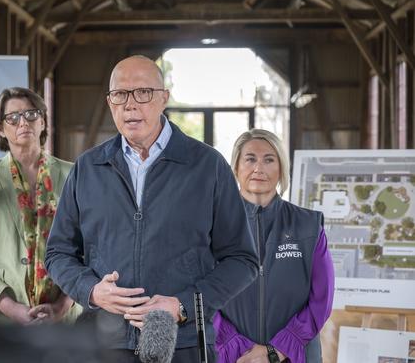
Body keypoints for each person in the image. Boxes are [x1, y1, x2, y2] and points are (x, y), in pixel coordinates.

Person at [44, 55, 259, 362]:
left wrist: (184, 305)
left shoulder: (207, 166)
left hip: (183, 344)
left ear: (164, 99)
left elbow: (242, 260)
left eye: (143, 92)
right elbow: (57, 253)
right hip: (102, 343)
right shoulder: (88, 169)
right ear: (109, 102)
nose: (130, 105)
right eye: (120, 95)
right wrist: (91, 290)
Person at [0, 87, 82, 326]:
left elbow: (89, 250)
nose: (23, 122)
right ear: (1, 130)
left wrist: (62, 306)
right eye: (12, 118)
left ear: (43, 122)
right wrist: (12, 308)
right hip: (1, 323)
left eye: (31, 114)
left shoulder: (72, 174)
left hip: (63, 323)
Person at [214, 129, 334, 363]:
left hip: (294, 355)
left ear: (281, 170)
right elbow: (200, 294)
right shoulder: (211, 226)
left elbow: (322, 298)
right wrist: (236, 346)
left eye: (269, 159)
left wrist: (277, 350)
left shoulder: (308, 226)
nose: (258, 168)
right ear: (236, 168)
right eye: (250, 159)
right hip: (231, 356)